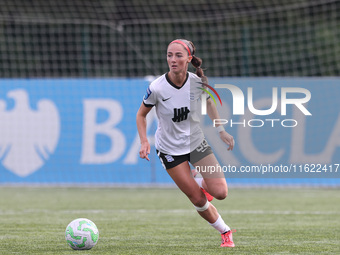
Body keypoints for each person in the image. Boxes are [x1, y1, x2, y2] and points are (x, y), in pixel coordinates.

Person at [136, 39, 236, 247]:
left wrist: (221, 130)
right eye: (169, 55)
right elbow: (141, 115)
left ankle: (197, 180)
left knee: (221, 193)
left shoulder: (197, 83)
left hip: (196, 143)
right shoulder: (157, 88)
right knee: (198, 199)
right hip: (170, 150)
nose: (173, 60)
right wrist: (144, 141)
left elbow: (209, 103)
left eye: (178, 55)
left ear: (189, 59)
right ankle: (225, 232)